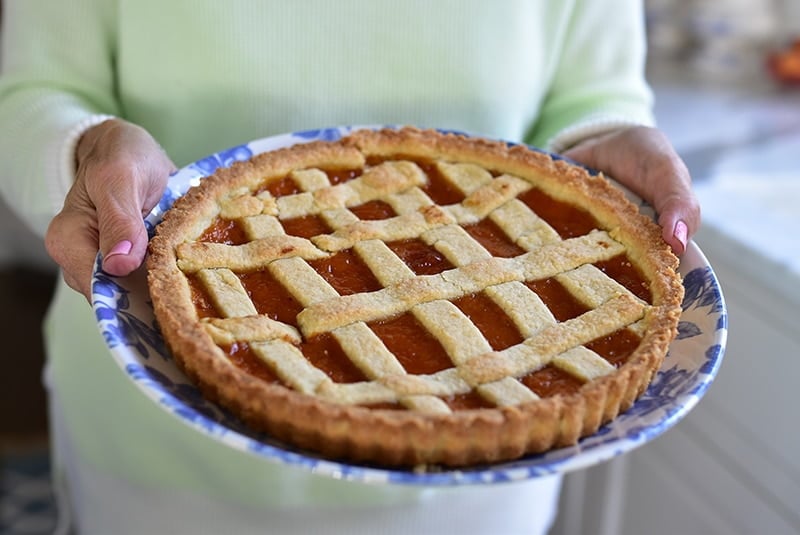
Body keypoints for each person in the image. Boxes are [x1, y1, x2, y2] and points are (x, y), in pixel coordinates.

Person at [0, 1, 700, 533]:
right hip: (162, 455)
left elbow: (593, 96)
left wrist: (603, 141)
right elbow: (30, 92)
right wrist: (87, 150)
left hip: (479, 479)